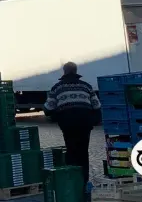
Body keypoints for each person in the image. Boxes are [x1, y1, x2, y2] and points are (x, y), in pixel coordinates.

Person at [47, 62, 100, 197]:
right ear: (76, 71)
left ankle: (72, 181)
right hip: (84, 124)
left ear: (64, 72)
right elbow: (97, 105)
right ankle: (84, 182)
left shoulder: (57, 88)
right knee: (83, 152)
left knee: (71, 151)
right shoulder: (86, 86)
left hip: (67, 124)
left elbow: (49, 108)